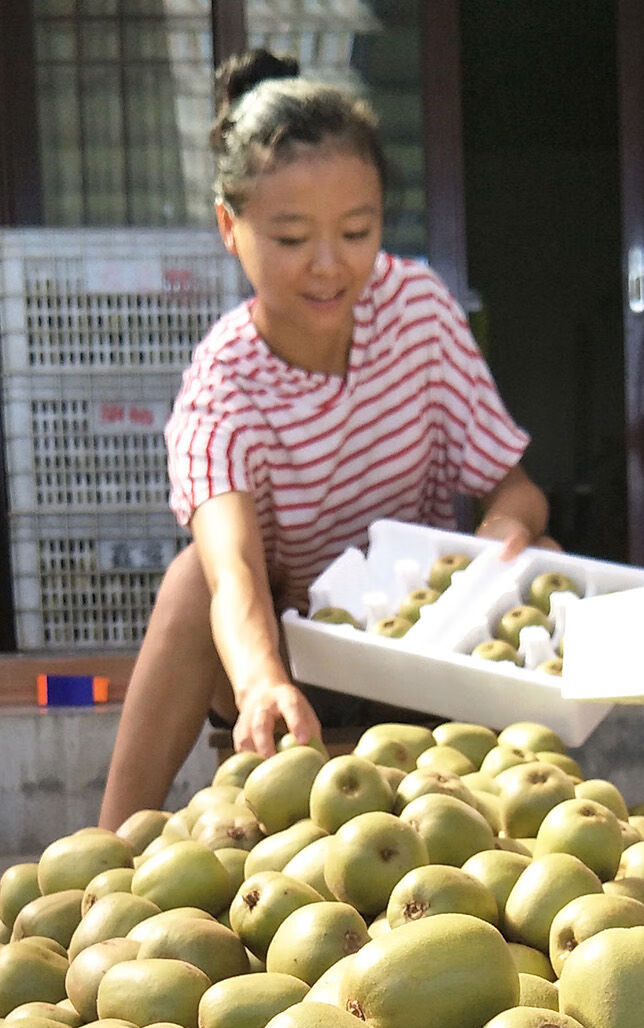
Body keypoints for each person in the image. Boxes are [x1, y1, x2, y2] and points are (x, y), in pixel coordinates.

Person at [98, 51, 551, 831]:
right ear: (229, 229)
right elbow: (233, 570)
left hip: (422, 651)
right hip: (287, 656)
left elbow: (516, 489)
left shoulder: (415, 310)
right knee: (188, 581)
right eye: (291, 237)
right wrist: (263, 678)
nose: (329, 265)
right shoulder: (224, 382)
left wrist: (498, 543)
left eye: (356, 230)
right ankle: (101, 846)